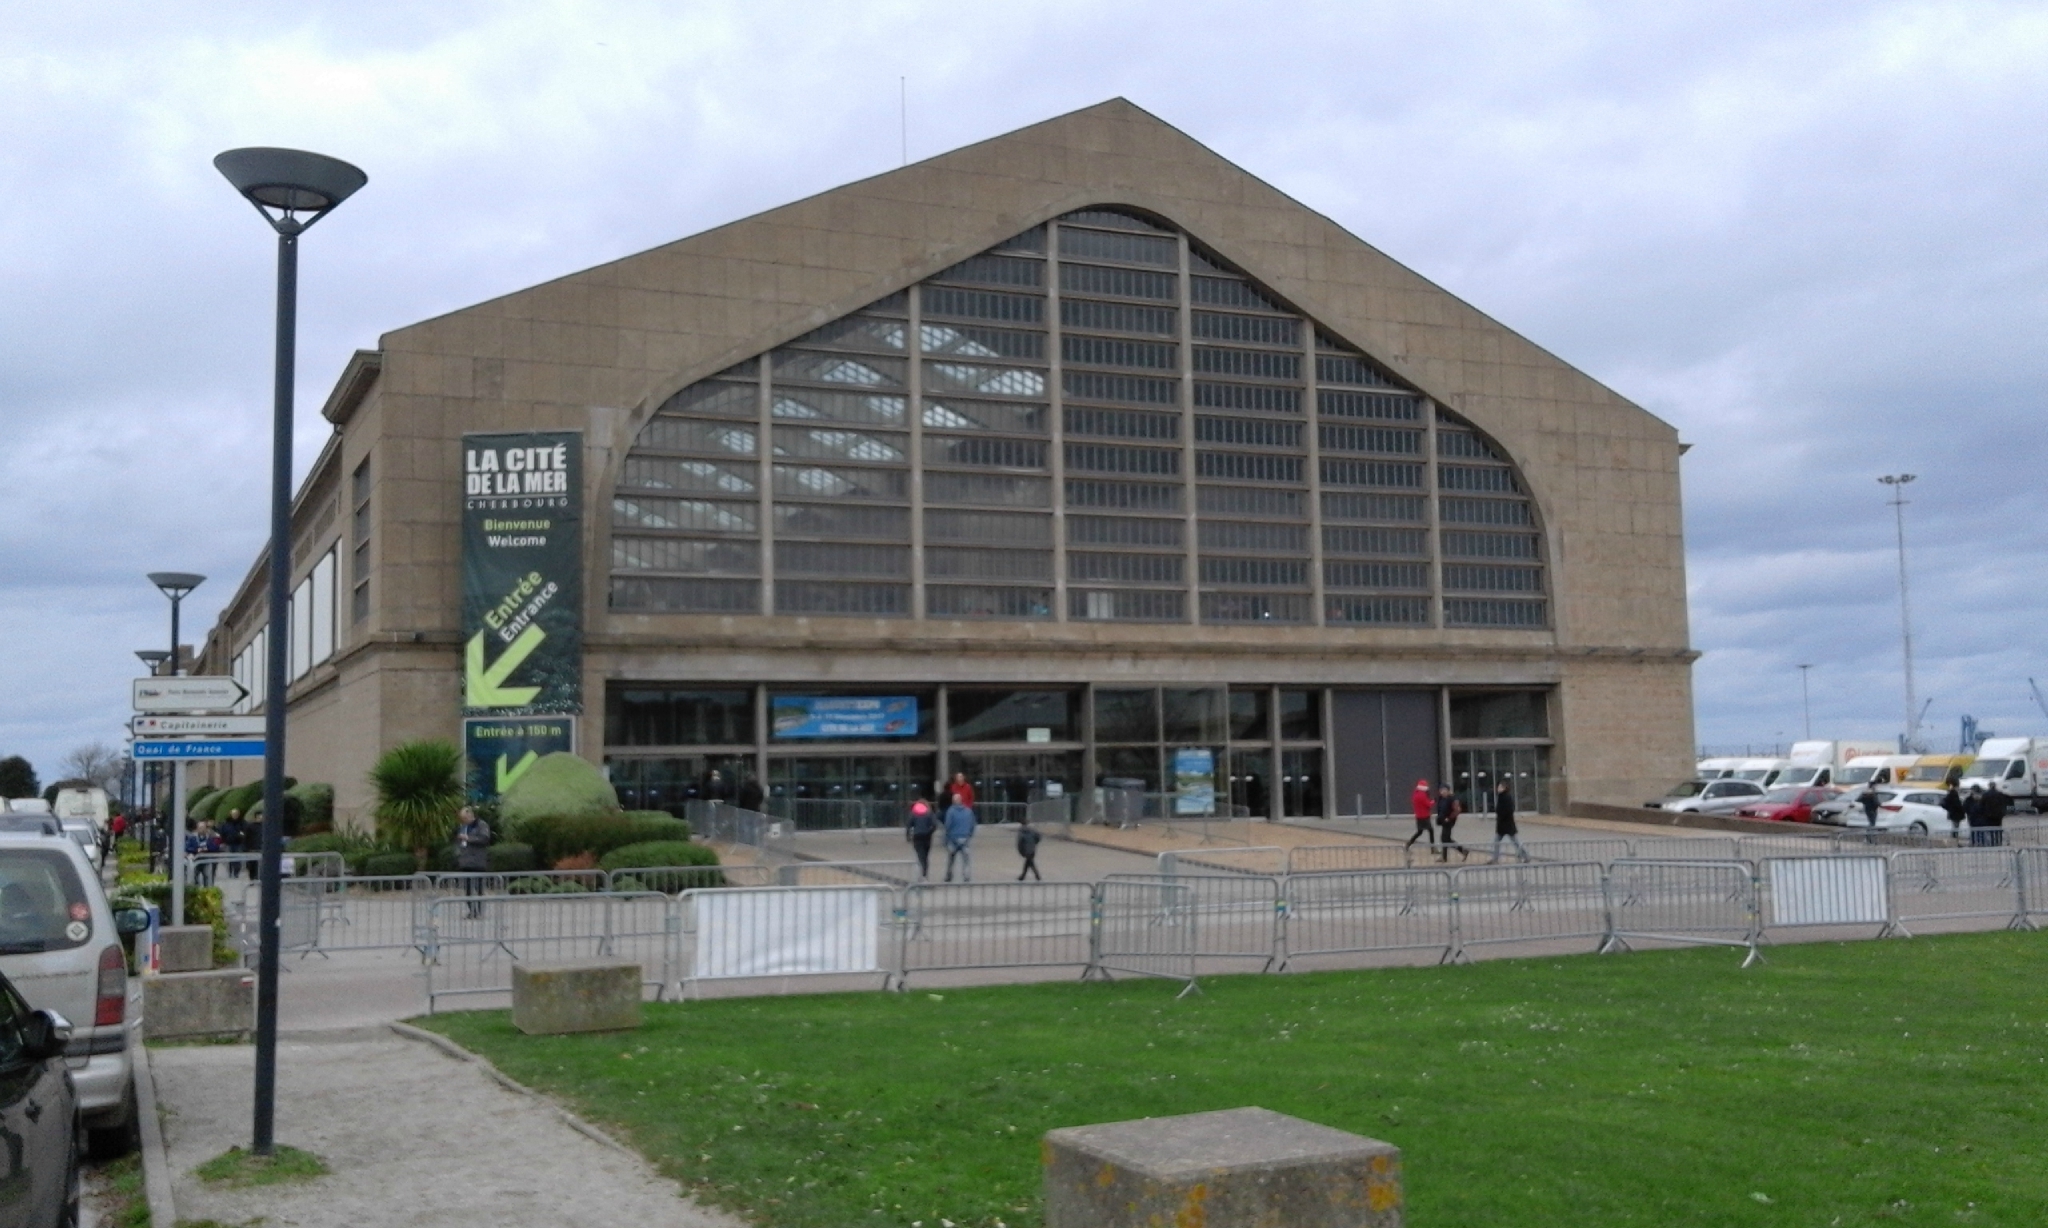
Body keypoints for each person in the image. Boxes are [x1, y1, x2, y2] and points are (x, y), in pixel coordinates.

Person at [454, 805, 493, 917]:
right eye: (462, 819)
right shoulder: (462, 827)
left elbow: (485, 839)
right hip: (466, 862)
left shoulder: (481, 825)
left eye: (466, 818)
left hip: (478, 862)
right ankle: (472, 911)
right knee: (467, 889)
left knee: (479, 888)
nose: (464, 821)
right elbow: (459, 842)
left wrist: (469, 838)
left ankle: (479, 911)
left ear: (471, 815)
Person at [1489, 781, 1527, 863]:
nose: (1498, 788)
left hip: (1507, 824)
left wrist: (1502, 816)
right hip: (1503, 825)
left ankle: (1525, 855)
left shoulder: (1506, 797)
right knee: (1498, 842)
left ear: (1504, 788)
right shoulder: (1501, 797)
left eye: (1499, 787)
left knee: (1515, 842)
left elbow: (1508, 810)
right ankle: (1495, 858)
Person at [942, 797, 976, 883]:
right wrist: (969, 835)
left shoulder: (950, 811)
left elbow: (947, 825)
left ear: (953, 801)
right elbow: (972, 824)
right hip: (965, 838)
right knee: (966, 859)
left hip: (953, 838)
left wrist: (946, 838)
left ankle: (949, 875)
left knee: (951, 858)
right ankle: (966, 875)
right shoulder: (968, 811)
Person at [905, 798, 938, 879]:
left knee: (920, 856)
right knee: (926, 856)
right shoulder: (929, 813)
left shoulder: (913, 813)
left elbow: (908, 825)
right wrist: (930, 832)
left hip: (917, 837)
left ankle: (921, 874)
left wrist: (908, 836)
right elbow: (935, 825)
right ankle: (925, 874)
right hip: (927, 837)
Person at [1434, 784, 1467, 862]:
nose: (1442, 792)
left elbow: (1457, 810)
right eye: (1441, 790)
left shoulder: (1452, 799)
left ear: (1448, 791)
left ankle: (1446, 856)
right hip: (1443, 821)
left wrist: (1449, 818)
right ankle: (1461, 851)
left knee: (1445, 839)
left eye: (1444, 790)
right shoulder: (1441, 799)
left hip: (1449, 821)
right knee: (1445, 839)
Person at [1405, 779, 1434, 855]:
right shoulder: (1423, 795)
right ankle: (1433, 848)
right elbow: (1428, 804)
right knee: (1431, 831)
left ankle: (1409, 843)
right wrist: (1433, 801)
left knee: (1419, 831)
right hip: (1425, 816)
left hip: (1418, 816)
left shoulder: (1415, 794)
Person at [219, 809, 249, 878]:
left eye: (236, 814)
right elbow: (222, 832)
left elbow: (246, 832)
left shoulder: (243, 823)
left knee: (237, 859)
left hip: (239, 843)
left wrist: (242, 836)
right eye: (233, 814)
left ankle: (236, 872)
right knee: (229, 859)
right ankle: (230, 871)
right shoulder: (226, 823)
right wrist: (224, 840)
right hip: (228, 843)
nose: (235, 816)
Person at [1979, 783, 2010, 847]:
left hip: (1989, 815)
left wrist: (1983, 813)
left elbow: (1981, 805)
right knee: (1998, 829)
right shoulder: (2000, 794)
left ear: (1989, 786)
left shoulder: (1985, 794)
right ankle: (1999, 842)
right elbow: (2003, 804)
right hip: (1998, 815)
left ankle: (1992, 843)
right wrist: (2003, 813)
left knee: (1991, 830)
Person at [1015, 816, 1042, 881]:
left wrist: (1020, 850)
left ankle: (1036, 876)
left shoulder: (1021, 831)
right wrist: (1035, 843)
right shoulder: (1032, 830)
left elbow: (1020, 842)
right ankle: (1023, 876)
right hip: (1032, 848)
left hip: (1025, 849)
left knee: (1030, 863)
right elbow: (1038, 836)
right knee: (1029, 862)